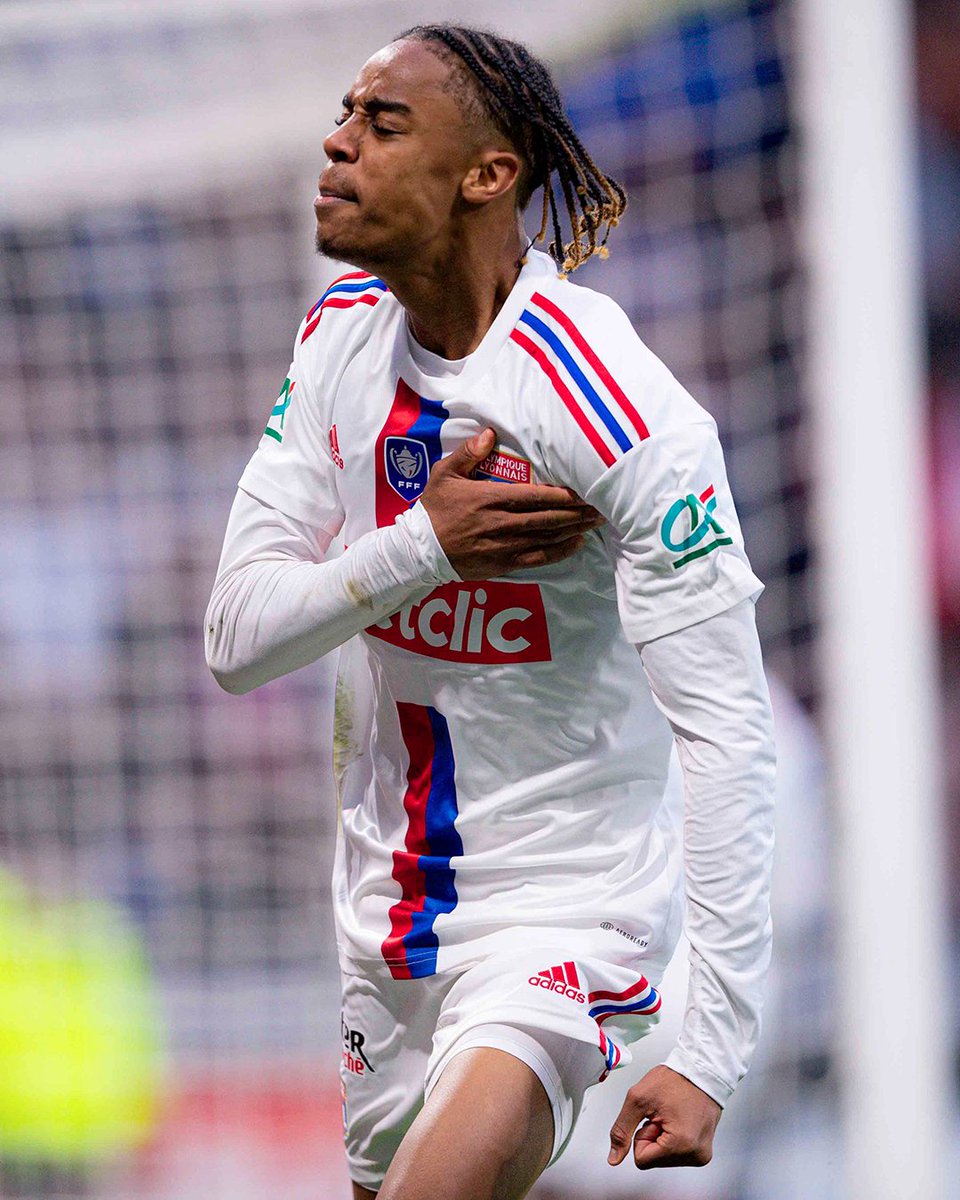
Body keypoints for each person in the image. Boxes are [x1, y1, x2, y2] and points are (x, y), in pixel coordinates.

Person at [204, 23, 775, 1200]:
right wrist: (426, 547)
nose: (336, 139)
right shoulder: (336, 344)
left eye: (383, 121)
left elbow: (728, 730)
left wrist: (712, 1052)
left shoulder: (615, 410)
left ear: (487, 172)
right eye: (346, 112)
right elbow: (237, 638)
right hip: (388, 919)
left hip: (567, 913)